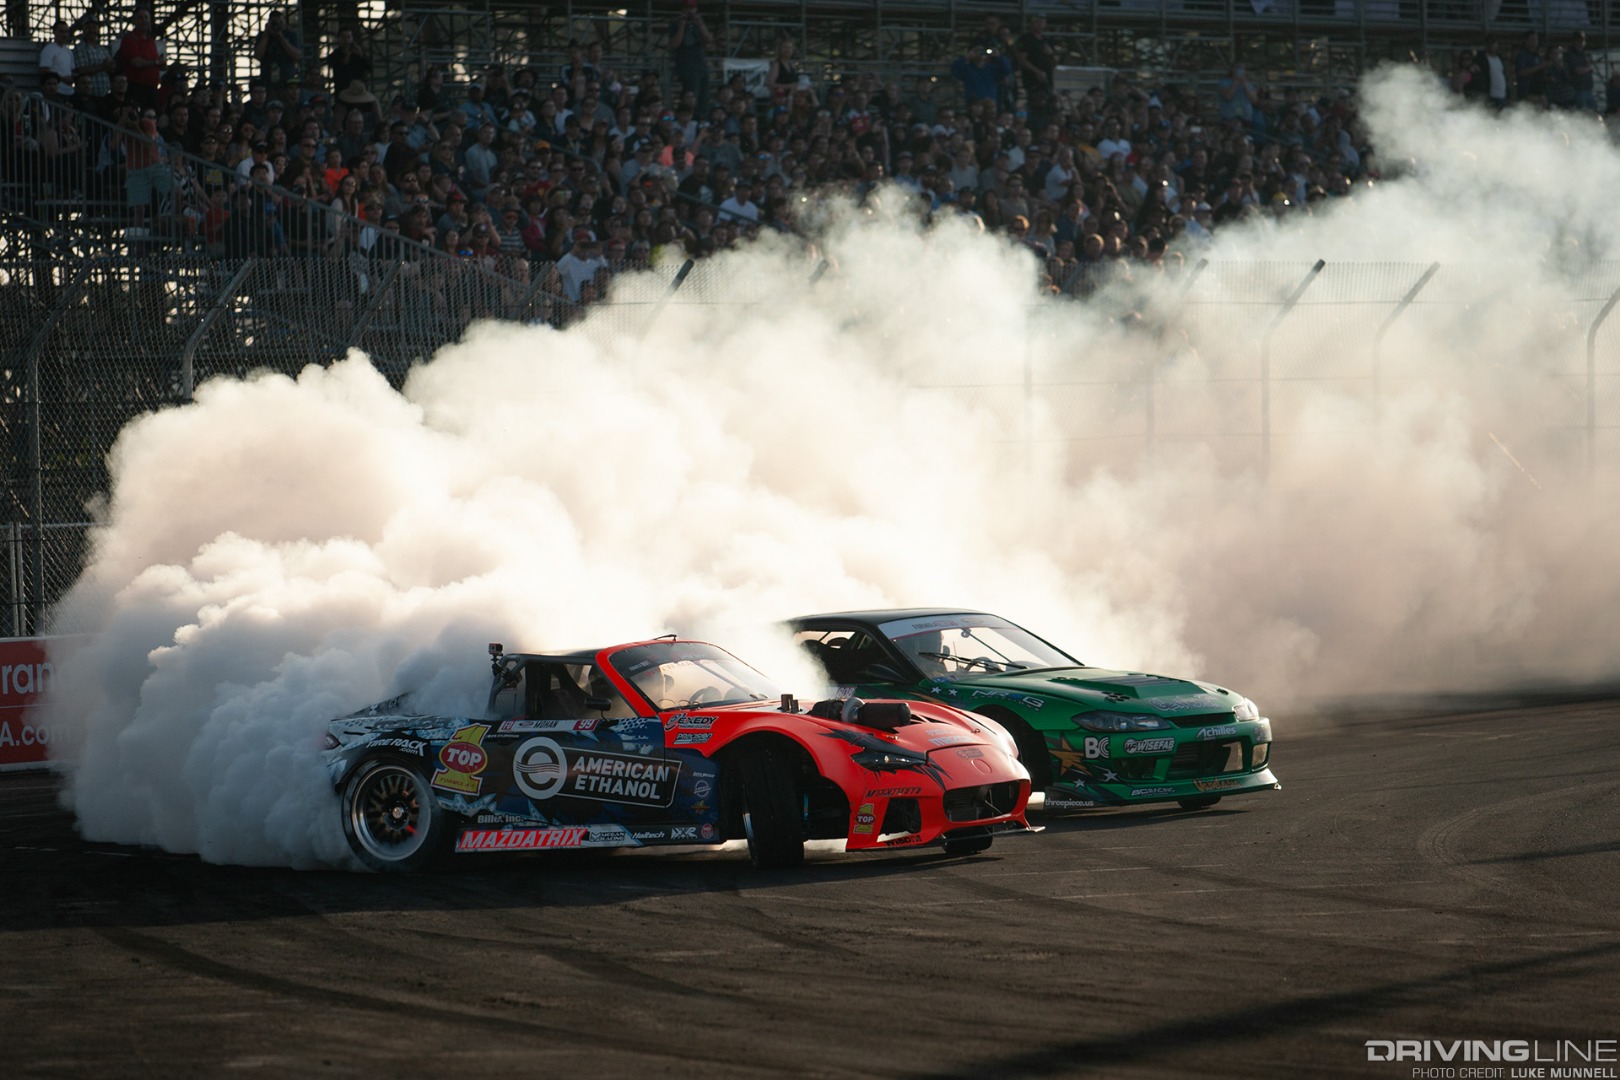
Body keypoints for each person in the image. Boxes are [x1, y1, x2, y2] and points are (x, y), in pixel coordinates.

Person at [668, 0, 714, 119]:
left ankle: (703, 119)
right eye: (687, 8)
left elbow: (709, 40)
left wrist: (700, 24)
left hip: (701, 65)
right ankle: (690, 118)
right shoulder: (675, 24)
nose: (689, 11)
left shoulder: (699, 23)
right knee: (691, 96)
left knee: (703, 97)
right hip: (686, 66)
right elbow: (674, 44)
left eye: (691, 8)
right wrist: (682, 26)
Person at [1012, 16, 1056, 129]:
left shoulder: (1046, 40)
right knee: (1034, 105)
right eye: (1037, 22)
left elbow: (1054, 60)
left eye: (1042, 22)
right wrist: (1037, 71)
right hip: (1032, 80)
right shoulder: (1025, 39)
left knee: (1048, 106)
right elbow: (1022, 59)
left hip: (1047, 79)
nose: (1040, 24)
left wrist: (1050, 54)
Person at [116, 7, 162, 111]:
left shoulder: (150, 40)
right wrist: (156, 62)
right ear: (134, 21)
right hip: (137, 87)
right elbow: (137, 63)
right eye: (140, 18)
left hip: (152, 88)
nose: (144, 20)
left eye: (146, 17)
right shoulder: (130, 39)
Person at [255, 9, 303, 96]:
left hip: (287, 81)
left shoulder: (290, 35)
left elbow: (297, 56)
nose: (277, 25)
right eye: (274, 22)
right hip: (268, 81)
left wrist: (281, 38)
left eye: (280, 22)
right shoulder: (263, 36)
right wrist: (266, 36)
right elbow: (258, 56)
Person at [72, 16, 116, 107]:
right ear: (83, 30)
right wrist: (103, 66)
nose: (92, 30)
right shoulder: (80, 48)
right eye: (88, 27)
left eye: (94, 27)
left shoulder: (103, 49)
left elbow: (112, 67)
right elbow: (81, 70)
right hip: (89, 96)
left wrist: (109, 66)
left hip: (105, 94)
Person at [39, 20, 76, 96]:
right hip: (56, 92)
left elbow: (72, 70)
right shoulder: (48, 49)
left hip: (69, 91)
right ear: (54, 32)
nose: (64, 35)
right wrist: (64, 79)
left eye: (66, 32)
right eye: (61, 32)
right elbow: (44, 71)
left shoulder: (69, 51)